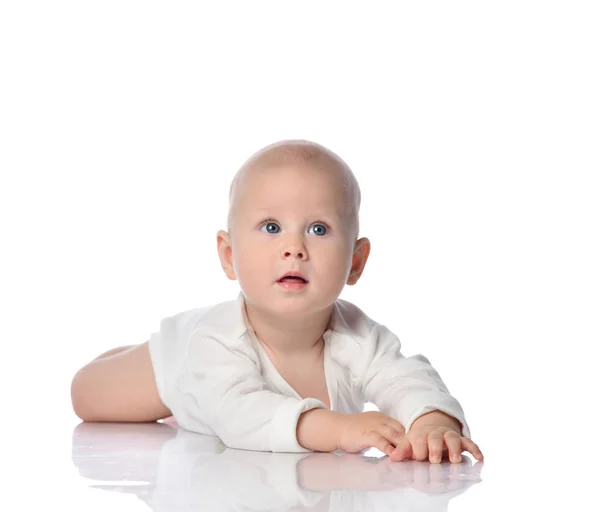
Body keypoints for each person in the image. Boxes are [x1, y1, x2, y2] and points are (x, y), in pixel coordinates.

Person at [70, 139, 484, 464]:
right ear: (229, 256)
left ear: (355, 262)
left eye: (319, 229)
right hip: (176, 365)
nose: (294, 247)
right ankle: (152, 372)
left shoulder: (358, 337)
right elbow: (241, 416)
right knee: (88, 394)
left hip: (209, 384)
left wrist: (431, 420)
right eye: (271, 226)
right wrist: (336, 429)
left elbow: (405, 377)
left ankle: (194, 407)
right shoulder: (214, 343)